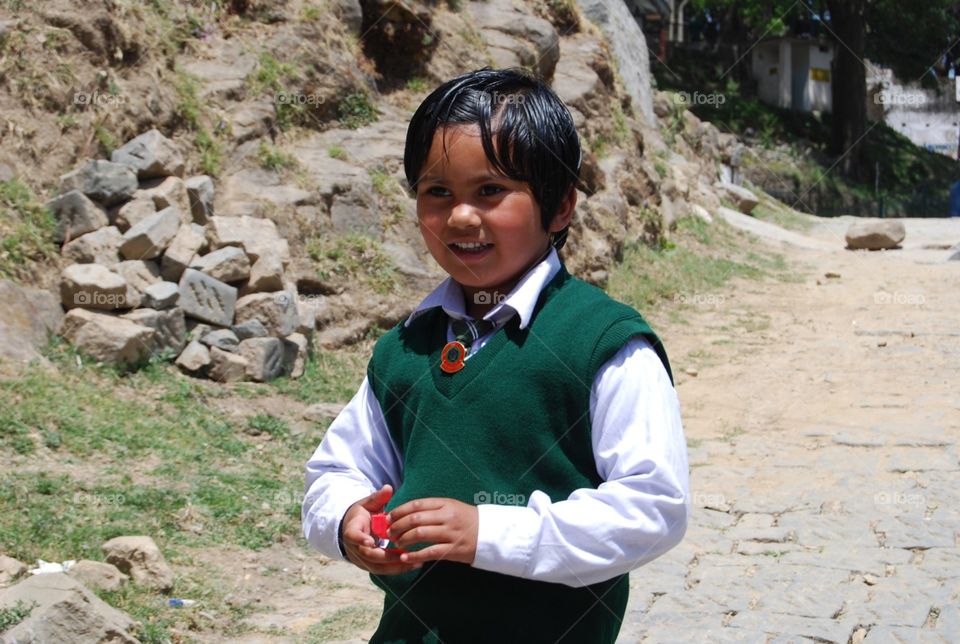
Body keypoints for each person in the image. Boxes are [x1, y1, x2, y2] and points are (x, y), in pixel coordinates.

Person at [302, 68, 689, 643]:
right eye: (438, 193)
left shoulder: (603, 343)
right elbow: (338, 469)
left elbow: (654, 507)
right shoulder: (404, 350)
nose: (460, 216)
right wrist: (345, 520)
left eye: (490, 191)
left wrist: (488, 533)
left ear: (559, 207)